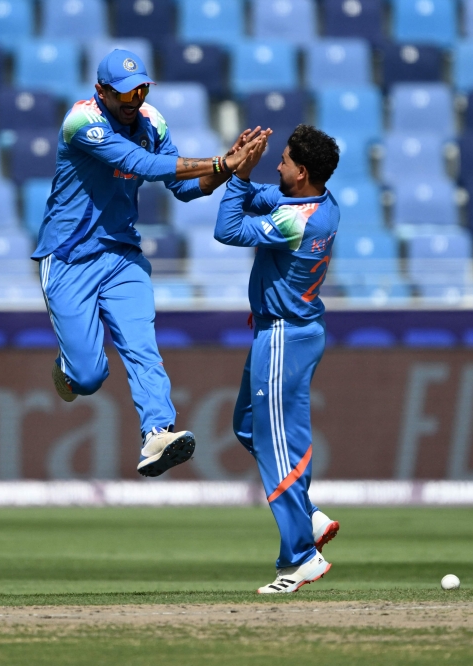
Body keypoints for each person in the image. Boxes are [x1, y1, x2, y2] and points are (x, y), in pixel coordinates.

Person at [33, 49, 267, 477]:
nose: (133, 98)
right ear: (100, 90)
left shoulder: (153, 121)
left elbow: (186, 189)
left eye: (140, 88)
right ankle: (68, 370)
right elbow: (139, 163)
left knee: (142, 346)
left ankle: (157, 432)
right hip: (68, 257)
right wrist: (220, 161)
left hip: (122, 255)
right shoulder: (81, 121)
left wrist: (231, 170)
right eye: (123, 91)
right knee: (88, 377)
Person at [214, 124, 342, 594]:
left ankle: (301, 558)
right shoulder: (321, 204)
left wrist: (238, 178)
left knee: (277, 445)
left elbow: (227, 229)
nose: (278, 165)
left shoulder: (297, 219)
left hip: (284, 334)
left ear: (302, 172)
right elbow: (266, 199)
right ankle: (309, 519)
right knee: (248, 426)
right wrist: (238, 171)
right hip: (290, 330)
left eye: (284, 161)